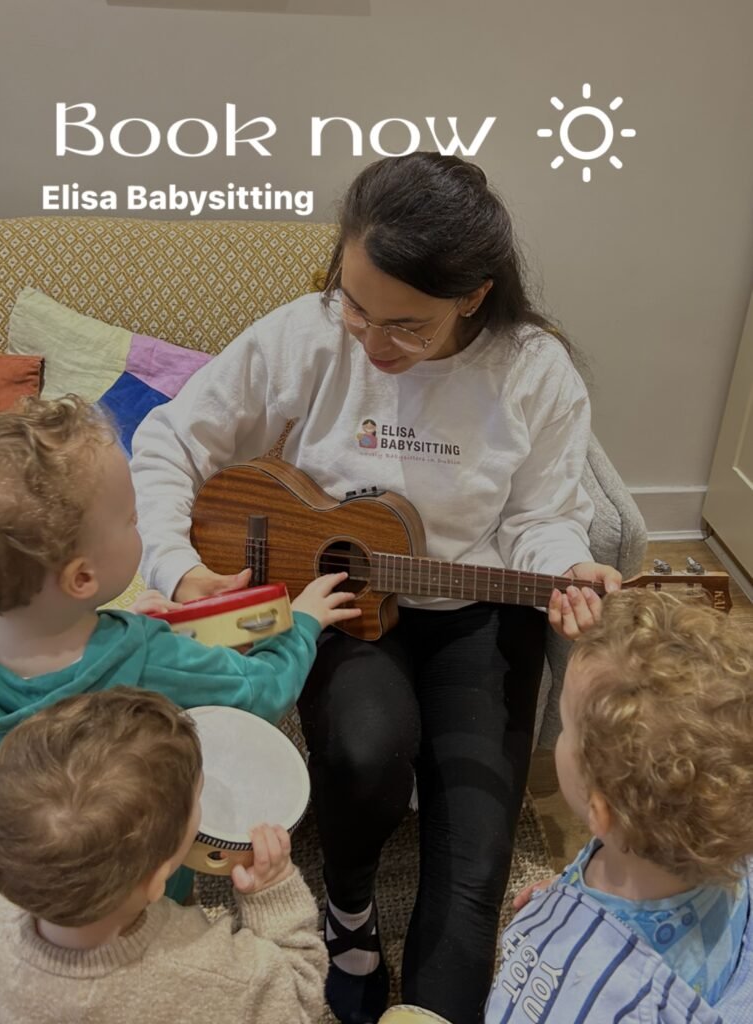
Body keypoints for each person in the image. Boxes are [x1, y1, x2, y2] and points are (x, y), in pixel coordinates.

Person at [131, 152, 621, 1024]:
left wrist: (566, 566)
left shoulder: (533, 369)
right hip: (340, 603)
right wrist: (177, 565)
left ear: (472, 296)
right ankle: (348, 908)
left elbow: (542, 515)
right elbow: (172, 439)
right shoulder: (307, 333)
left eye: (405, 325)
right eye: (355, 305)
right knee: (364, 755)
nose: (370, 340)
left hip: (477, 610)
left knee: (473, 865)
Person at [0, 395, 360, 917]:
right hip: (131, 896)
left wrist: (113, 621)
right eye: (132, 519)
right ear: (82, 578)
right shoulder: (144, 657)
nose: (140, 525)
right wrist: (303, 624)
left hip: (6, 898)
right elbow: (260, 691)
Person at [0, 686, 328, 1024]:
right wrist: (274, 895)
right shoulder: (212, 973)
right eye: (198, 799)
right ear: (157, 879)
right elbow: (296, 997)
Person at [486, 590, 753, 1023]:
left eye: (565, 727)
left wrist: (572, 928)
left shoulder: (591, 994)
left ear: (601, 811)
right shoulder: (717, 840)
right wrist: (572, 897)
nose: (560, 737)